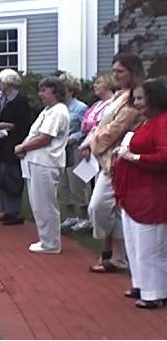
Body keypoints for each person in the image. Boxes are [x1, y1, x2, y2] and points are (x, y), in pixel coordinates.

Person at [80, 53, 145, 273]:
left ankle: (113, 250)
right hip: (106, 160)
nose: (115, 75)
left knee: (99, 206)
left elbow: (115, 129)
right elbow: (100, 125)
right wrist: (89, 142)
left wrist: (94, 143)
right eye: (114, 70)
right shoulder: (118, 95)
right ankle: (116, 256)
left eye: (120, 71)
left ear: (132, 72)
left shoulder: (133, 99)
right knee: (110, 209)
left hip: (119, 160)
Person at [113, 77, 167, 309]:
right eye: (135, 98)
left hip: (151, 193)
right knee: (134, 244)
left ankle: (155, 292)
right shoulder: (144, 123)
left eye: (141, 98)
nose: (136, 103)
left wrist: (133, 158)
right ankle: (140, 283)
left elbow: (164, 157)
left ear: (155, 98)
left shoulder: (163, 123)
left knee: (150, 247)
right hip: (133, 193)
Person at [15, 77, 70, 254]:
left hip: (46, 162)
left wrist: (23, 146)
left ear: (55, 92)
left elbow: (45, 137)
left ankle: (51, 243)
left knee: (45, 203)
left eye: (44, 91)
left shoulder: (59, 111)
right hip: (36, 161)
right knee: (38, 203)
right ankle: (45, 238)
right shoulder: (48, 110)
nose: (41, 94)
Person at [0, 69, 32, 226]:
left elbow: (24, 124)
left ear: (8, 83)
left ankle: (15, 211)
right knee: (3, 175)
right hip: (2, 142)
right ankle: (7, 210)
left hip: (14, 142)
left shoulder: (20, 101)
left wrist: (7, 125)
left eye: (1, 82)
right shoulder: (4, 99)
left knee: (13, 177)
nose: (0, 85)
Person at [58, 73, 91, 231]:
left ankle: (85, 217)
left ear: (70, 90)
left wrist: (72, 137)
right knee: (63, 184)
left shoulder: (81, 107)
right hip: (60, 150)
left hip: (76, 148)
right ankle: (70, 215)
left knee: (77, 183)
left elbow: (87, 130)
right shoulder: (58, 108)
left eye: (62, 89)